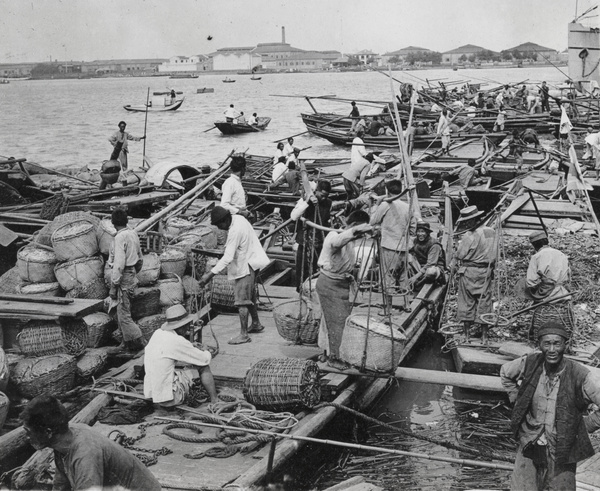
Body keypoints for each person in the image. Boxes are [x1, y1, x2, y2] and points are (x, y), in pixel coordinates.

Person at [500, 322, 600, 491]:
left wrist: (584, 425)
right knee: (523, 487)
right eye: (547, 343)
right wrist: (517, 399)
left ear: (565, 346)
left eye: (557, 343)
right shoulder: (530, 363)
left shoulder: (579, 375)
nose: (552, 349)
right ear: (539, 344)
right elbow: (505, 373)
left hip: (563, 447)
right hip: (530, 441)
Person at [20, 394, 161, 491]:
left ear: (48, 432)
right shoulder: (64, 437)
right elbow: (61, 485)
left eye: (28, 431)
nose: (27, 437)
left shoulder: (85, 455)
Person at [198, 206, 270, 344]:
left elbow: (227, 257)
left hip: (247, 265)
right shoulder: (239, 218)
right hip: (254, 259)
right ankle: (256, 323)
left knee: (241, 300)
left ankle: (243, 334)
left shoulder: (235, 231)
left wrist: (209, 275)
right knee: (251, 295)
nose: (220, 228)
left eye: (220, 225)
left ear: (225, 220)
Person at [315, 210, 373, 368]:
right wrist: (356, 231)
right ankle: (334, 358)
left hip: (341, 284)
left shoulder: (349, 239)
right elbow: (337, 243)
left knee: (330, 321)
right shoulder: (335, 235)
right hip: (329, 285)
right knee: (337, 322)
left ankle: (326, 352)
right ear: (354, 226)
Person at [144, 304, 218, 406]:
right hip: (171, 398)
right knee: (203, 367)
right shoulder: (177, 341)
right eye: (186, 325)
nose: (188, 328)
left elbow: (170, 349)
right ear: (181, 326)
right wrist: (207, 351)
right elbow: (204, 359)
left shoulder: (158, 333)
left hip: (153, 394)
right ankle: (215, 400)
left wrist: (190, 345)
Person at [515, 230, 574, 342]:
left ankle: (536, 334)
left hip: (546, 293)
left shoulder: (537, 256)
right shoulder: (561, 254)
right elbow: (568, 275)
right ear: (546, 241)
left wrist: (533, 291)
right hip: (562, 292)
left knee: (523, 285)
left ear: (535, 245)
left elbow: (531, 281)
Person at [370, 179, 417, 310]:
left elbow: (373, 221)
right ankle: (407, 304)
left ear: (387, 191)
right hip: (404, 248)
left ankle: (388, 308)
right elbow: (413, 229)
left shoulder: (385, 205)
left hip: (389, 247)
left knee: (388, 277)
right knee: (403, 276)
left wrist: (375, 205)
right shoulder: (408, 206)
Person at [455, 205, 497, 343]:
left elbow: (460, 255)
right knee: (484, 302)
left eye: (468, 221)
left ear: (475, 219)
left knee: (466, 302)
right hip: (485, 272)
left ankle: (466, 337)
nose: (466, 224)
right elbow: (495, 253)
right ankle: (484, 337)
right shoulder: (491, 231)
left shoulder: (469, 235)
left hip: (469, 272)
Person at [108, 208, 146, 351]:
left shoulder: (119, 238)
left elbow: (118, 264)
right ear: (126, 221)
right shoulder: (133, 233)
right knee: (121, 311)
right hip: (131, 273)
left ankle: (143, 343)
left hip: (123, 276)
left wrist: (114, 285)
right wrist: (134, 272)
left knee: (124, 315)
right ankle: (125, 343)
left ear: (113, 223)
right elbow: (140, 258)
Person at [292, 180, 332, 290]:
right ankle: (301, 293)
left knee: (317, 270)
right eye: (322, 195)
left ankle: (316, 293)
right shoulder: (304, 200)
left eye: (326, 196)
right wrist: (307, 202)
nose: (324, 198)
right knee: (302, 270)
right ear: (316, 191)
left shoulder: (328, 203)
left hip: (319, 242)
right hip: (304, 241)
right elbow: (294, 216)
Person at [408, 220, 446, 290]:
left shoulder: (434, 245)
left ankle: (419, 283)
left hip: (434, 267)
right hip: (421, 267)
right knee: (407, 258)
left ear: (427, 233)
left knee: (431, 272)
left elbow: (430, 264)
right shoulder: (416, 241)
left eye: (422, 231)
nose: (420, 234)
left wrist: (415, 277)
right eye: (418, 231)